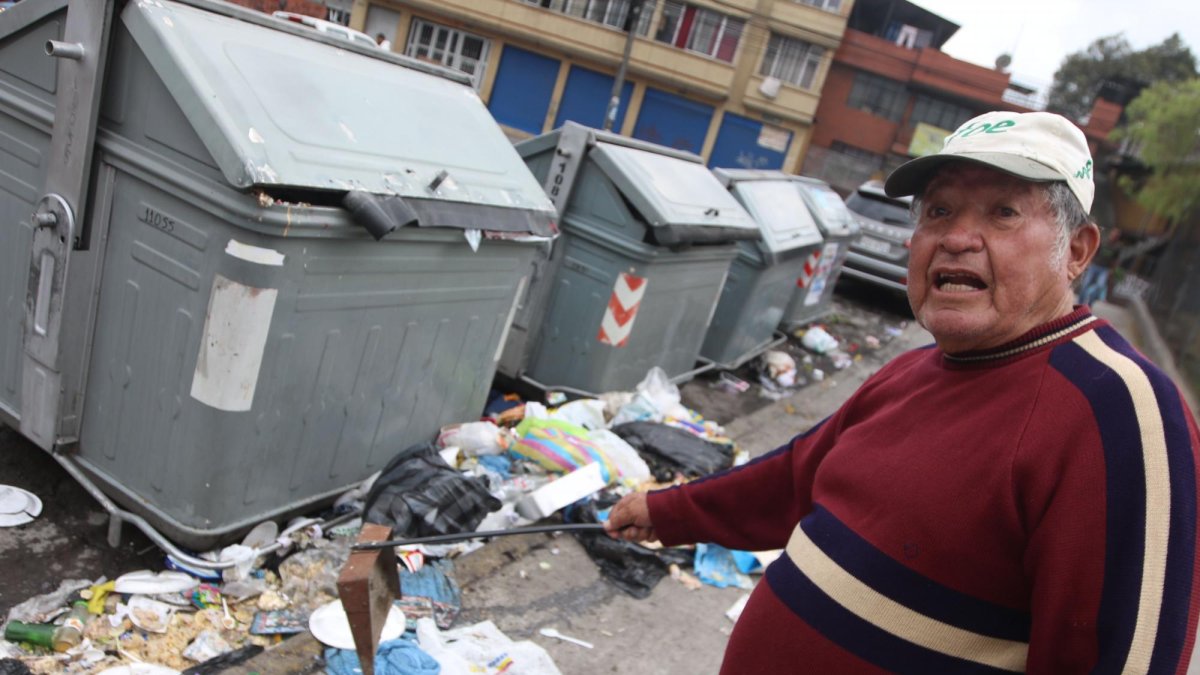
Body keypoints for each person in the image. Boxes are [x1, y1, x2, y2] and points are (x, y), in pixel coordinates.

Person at [606, 111, 1200, 673]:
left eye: (1003, 213)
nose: (957, 238)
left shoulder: (1124, 415)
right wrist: (667, 510)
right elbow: (795, 478)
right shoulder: (914, 371)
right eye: (938, 211)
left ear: (1075, 251)